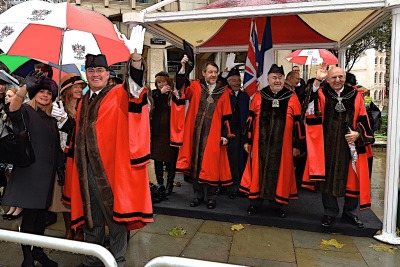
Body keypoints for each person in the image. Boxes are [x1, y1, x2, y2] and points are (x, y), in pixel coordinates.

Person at [70, 25, 153, 267]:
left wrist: (136, 59)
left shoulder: (118, 93)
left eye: (100, 70)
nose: (95, 74)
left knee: (116, 217)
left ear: (108, 73)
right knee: (91, 217)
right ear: (86, 74)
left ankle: (117, 259)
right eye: (91, 70)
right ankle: (92, 257)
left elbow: (136, 91)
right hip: (86, 172)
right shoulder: (84, 99)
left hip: (111, 171)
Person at [302, 64, 374, 229]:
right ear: (328, 79)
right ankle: (330, 213)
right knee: (327, 180)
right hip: (327, 145)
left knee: (352, 180)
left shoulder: (355, 95)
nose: (337, 80)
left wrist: (358, 134)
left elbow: (364, 117)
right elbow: (308, 107)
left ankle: (350, 213)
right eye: (333, 77)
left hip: (350, 146)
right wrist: (316, 82)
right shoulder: (321, 93)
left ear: (345, 78)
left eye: (340, 76)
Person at [2, 74, 62, 267]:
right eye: (41, 91)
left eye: (49, 93)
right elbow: (12, 110)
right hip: (30, 173)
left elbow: (55, 148)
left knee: (40, 218)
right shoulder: (26, 112)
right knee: (29, 217)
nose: (45, 95)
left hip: (47, 176)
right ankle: (27, 257)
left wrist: (61, 169)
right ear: (35, 94)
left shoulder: (52, 120)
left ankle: (38, 251)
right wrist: (23, 89)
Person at [240, 64, 303, 218]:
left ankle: (277, 205)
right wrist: (247, 141)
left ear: (284, 79)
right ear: (268, 79)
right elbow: (250, 120)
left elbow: (298, 124)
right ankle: (255, 204)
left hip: (283, 147)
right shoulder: (259, 96)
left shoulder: (292, 97)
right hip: (260, 144)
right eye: (274, 77)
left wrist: (297, 145)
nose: (277, 80)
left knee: (281, 174)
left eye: (280, 77)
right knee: (257, 172)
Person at [176, 55, 234, 210]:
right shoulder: (195, 87)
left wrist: (225, 134)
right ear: (203, 73)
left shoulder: (223, 91)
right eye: (210, 72)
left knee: (211, 166)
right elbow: (181, 88)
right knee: (195, 165)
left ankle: (211, 198)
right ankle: (198, 196)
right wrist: (183, 68)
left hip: (213, 135)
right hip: (194, 134)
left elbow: (227, 115)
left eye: (215, 72)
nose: (213, 75)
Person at [48, 73, 87, 241]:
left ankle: (80, 229)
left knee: (81, 196)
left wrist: (65, 121)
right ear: (66, 89)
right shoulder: (58, 106)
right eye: (75, 87)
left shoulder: (85, 105)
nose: (79, 89)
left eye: (80, 86)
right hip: (63, 158)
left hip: (81, 157)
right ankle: (69, 227)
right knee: (64, 197)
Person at [150, 71, 180, 200]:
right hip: (157, 133)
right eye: (159, 82)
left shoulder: (173, 94)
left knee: (171, 158)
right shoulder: (155, 94)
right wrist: (160, 93)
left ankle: (169, 184)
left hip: (171, 132)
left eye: (164, 81)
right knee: (157, 158)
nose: (162, 84)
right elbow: (151, 100)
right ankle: (160, 183)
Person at [224, 67, 249, 199]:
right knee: (231, 160)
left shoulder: (245, 96)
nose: (236, 83)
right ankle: (232, 186)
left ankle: (242, 185)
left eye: (238, 80)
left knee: (242, 159)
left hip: (243, 133)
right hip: (230, 133)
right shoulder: (225, 96)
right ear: (228, 82)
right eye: (233, 80)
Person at [1, 88, 24, 220]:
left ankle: (19, 207)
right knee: (10, 181)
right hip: (6, 149)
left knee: (17, 180)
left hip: (15, 150)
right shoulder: (3, 111)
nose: (7, 98)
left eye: (10, 96)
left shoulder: (19, 111)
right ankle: (12, 206)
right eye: (6, 96)